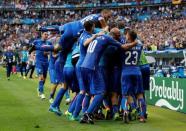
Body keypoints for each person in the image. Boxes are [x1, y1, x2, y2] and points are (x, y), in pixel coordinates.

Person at [80, 28, 137, 124]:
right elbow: (123, 47)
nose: (120, 37)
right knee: (101, 92)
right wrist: (135, 43)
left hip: (84, 65)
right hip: (93, 66)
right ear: (114, 35)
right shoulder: (108, 38)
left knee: (88, 92)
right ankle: (88, 114)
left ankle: (85, 114)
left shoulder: (97, 37)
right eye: (118, 35)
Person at [120, 30, 146, 123]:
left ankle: (125, 112)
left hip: (126, 72)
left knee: (125, 94)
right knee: (140, 95)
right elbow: (139, 43)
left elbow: (122, 47)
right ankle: (142, 116)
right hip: (137, 71)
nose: (125, 36)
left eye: (126, 35)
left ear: (129, 37)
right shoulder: (139, 46)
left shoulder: (124, 46)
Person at [34, 31, 52, 100]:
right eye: (45, 34)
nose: (46, 35)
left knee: (44, 78)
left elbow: (51, 51)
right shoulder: (36, 42)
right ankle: (42, 93)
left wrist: (46, 53)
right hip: (39, 62)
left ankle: (39, 88)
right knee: (41, 77)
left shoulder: (49, 43)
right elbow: (31, 48)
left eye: (47, 34)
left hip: (46, 62)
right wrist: (32, 54)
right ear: (42, 34)